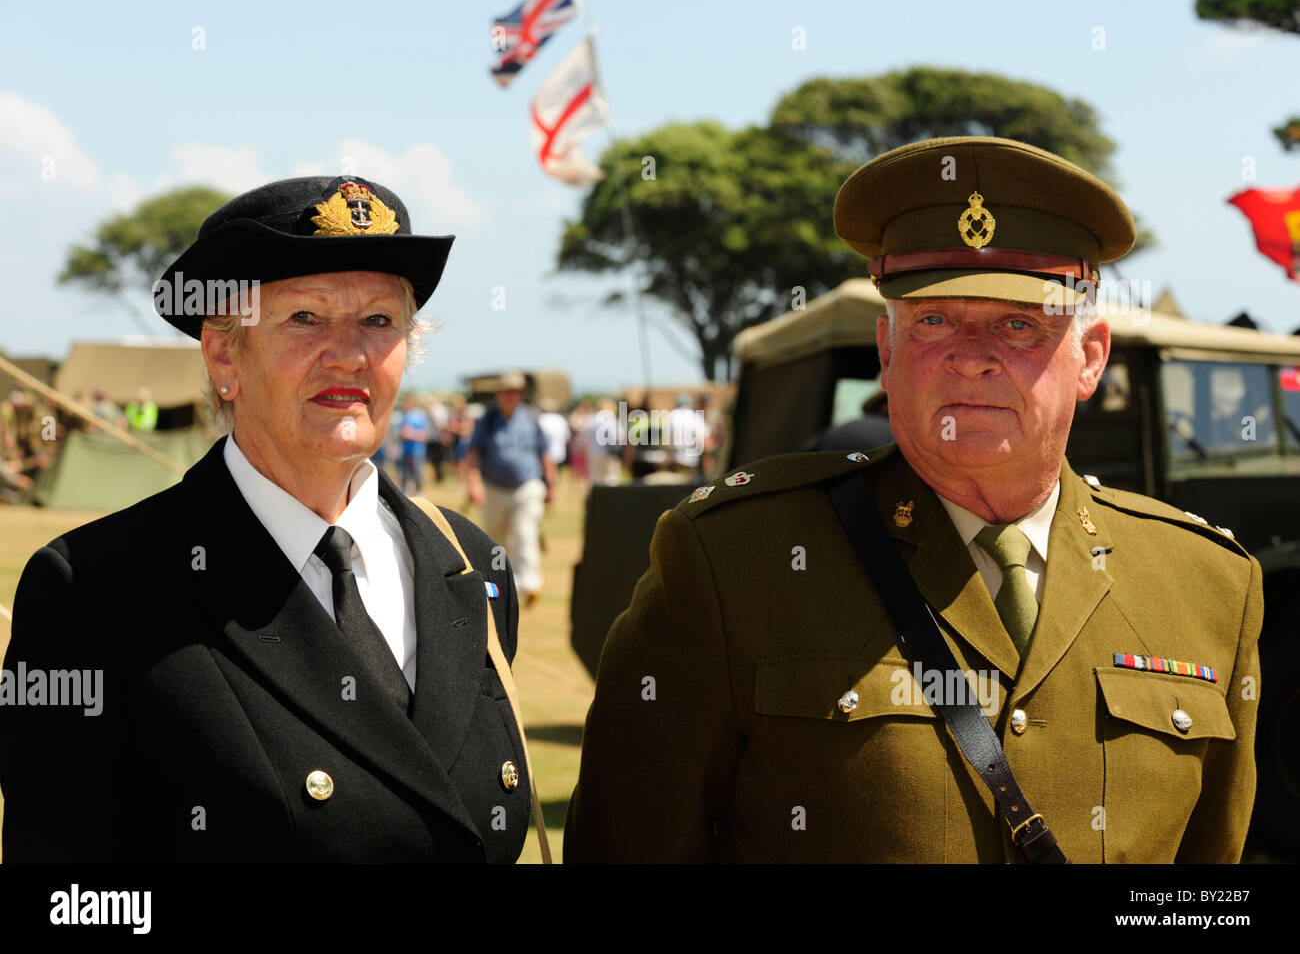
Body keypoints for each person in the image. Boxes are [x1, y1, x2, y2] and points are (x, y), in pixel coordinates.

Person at [565, 137, 1263, 863]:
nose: (971, 353)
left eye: (1019, 323)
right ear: (887, 351)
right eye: (932, 320)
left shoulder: (1208, 585)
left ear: (1090, 358)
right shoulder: (734, 562)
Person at [0, 176, 533, 863]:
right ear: (224, 353)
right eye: (305, 318)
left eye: (378, 320)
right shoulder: (98, 592)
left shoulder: (469, 563)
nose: (349, 353)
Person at [464, 372, 555, 607]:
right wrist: (473, 485)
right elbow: (473, 454)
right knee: (495, 539)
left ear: (521, 394)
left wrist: (550, 484)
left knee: (526, 533)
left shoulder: (531, 418)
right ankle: (499, 581)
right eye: (506, 391)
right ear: (498, 394)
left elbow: (544, 453)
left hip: (527, 485)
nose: (510, 396)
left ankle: (529, 582)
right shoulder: (488, 419)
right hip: (494, 486)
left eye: (515, 391)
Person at [397, 392, 430, 495]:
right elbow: (403, 433)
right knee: (404, 474)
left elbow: (425, 435)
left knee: (417, 473)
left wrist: (411, 433)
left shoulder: (420, 416)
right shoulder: (404, 417)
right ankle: (404, 493)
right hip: (406, 451)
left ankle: (419, 492)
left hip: (418, 451)